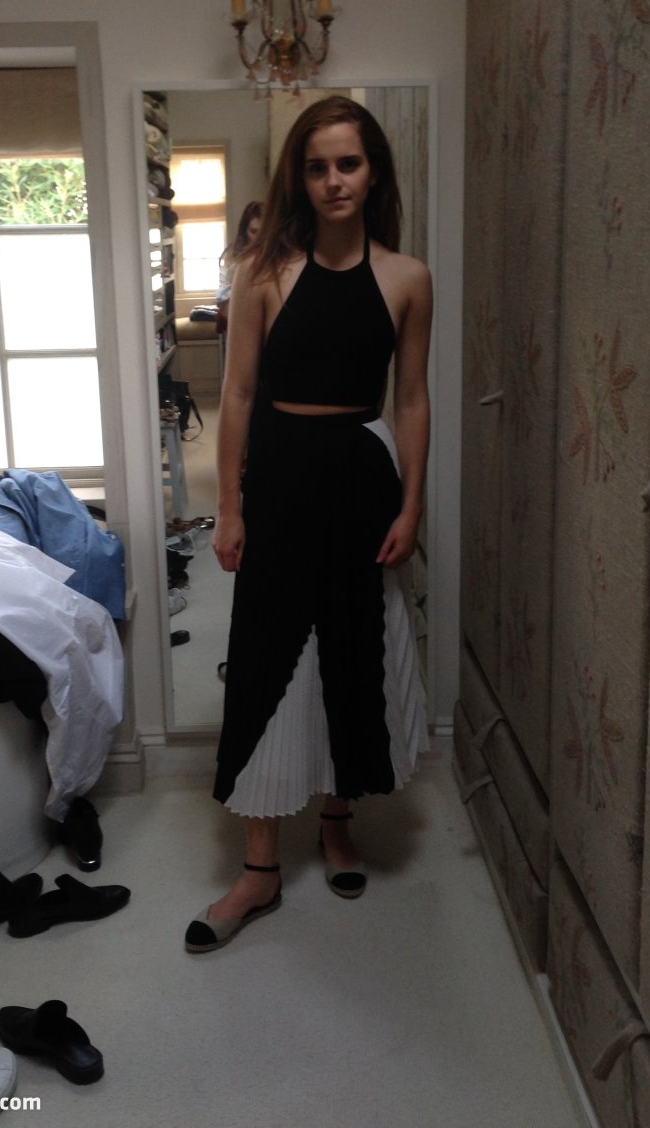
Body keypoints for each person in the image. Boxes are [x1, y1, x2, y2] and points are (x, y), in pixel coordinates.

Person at [184, 96, 432, 953]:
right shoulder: (265, 273)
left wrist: (411, 504)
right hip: (282, 476)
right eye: (318, 166)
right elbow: (238, 394)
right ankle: (259, 867)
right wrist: (229, 505)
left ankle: (336, 818)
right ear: (300, 176)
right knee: (265, 656)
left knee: (352, 646)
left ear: (373, 172)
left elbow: (411, 397)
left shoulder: (407, 278)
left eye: (348, 163)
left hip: (363, 475)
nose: (333, 181)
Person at [215, 200, 263, 334]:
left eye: (264, 233)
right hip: (240, 327)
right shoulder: (232, 259)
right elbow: (224, 307)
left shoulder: (279, 258)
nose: (259, 239)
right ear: (245, 231)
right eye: (254, 232)